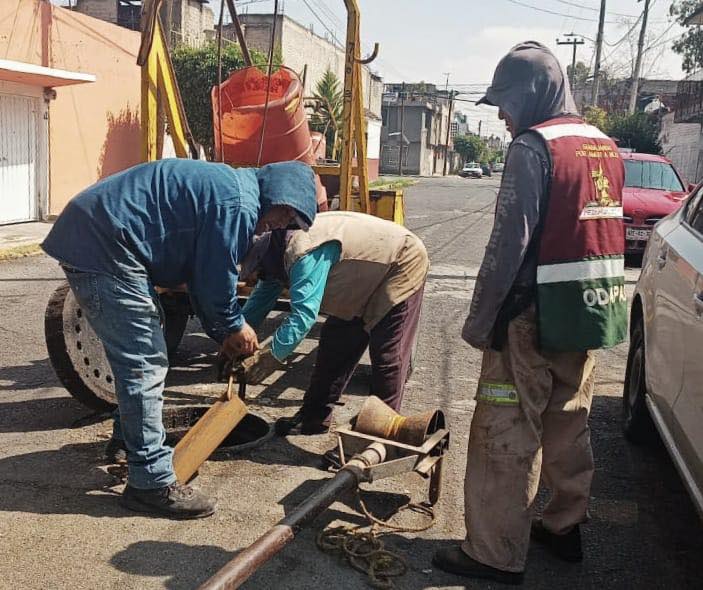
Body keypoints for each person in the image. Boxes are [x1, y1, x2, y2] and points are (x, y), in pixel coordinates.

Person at [432, 42, 627, 584]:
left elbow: (507, 245)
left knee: (505, 426)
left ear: (533, 95)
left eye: (506, 101)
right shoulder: (603, 145)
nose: (501, 114)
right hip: (584, 311)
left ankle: (493, 553)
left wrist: (480, 320)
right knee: (569, 419)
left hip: (529, 316)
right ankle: (564, 527)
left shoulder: (532, 147)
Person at [42, 159, 317, 519]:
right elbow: (214, 281)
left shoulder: (234, 189)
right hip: (107, 245)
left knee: (145, 352)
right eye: (287, 214)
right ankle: (150, 484)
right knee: (145, 362)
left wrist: (222, 330)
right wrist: (234, 326)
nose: (282, 224)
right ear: (281, 194)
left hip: (102, 237)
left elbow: (201, 280)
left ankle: (129, 441)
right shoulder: (237, 204)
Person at [236, 211, 429, 434]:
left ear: (263, 259)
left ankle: (377, 434)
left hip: (401, 261)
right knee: (335, 343)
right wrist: (233, 337)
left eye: (255, 271)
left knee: (387, 355)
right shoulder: (274, 258)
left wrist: (271, 356)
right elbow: (259, 302)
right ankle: (314, 418)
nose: (252, 277)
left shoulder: (302, 252)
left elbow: (303, 317)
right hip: (362, 275)